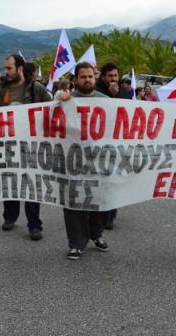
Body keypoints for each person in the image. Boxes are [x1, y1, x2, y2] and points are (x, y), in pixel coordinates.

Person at [0, 54, 52, 240]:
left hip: (32, 148)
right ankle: (10, 216)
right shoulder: (1, 91)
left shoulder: (37, 90)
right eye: (5, 68)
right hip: (8, 148)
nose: (6, 72)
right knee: (9, 183)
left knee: (32, 185)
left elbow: (52, 111)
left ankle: (34, 225)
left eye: (9, 68)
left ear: (20, 69)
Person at [59, 62, 110, 260]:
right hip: (72, 161)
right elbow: (50, 109)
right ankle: (76, 243)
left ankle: (96, 235)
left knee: (100, 201)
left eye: (90, 76)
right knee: (73, 203)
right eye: (83, 77)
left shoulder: (106, 101)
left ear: (95, 78)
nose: (87, 80)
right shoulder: (67, 100)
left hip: (99, 160)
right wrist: (59, 98)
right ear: (76, 80)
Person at [94, 62, 132, 229]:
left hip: (116, 143)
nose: (113, 79)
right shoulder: (95, 92)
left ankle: (110, 214)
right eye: (110, 76)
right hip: (97, 143)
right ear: (103, 77)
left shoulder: (124, 92)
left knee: (114, 178)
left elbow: (128, 113)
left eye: (115, 76)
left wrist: (117, 96)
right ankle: (99, 212)